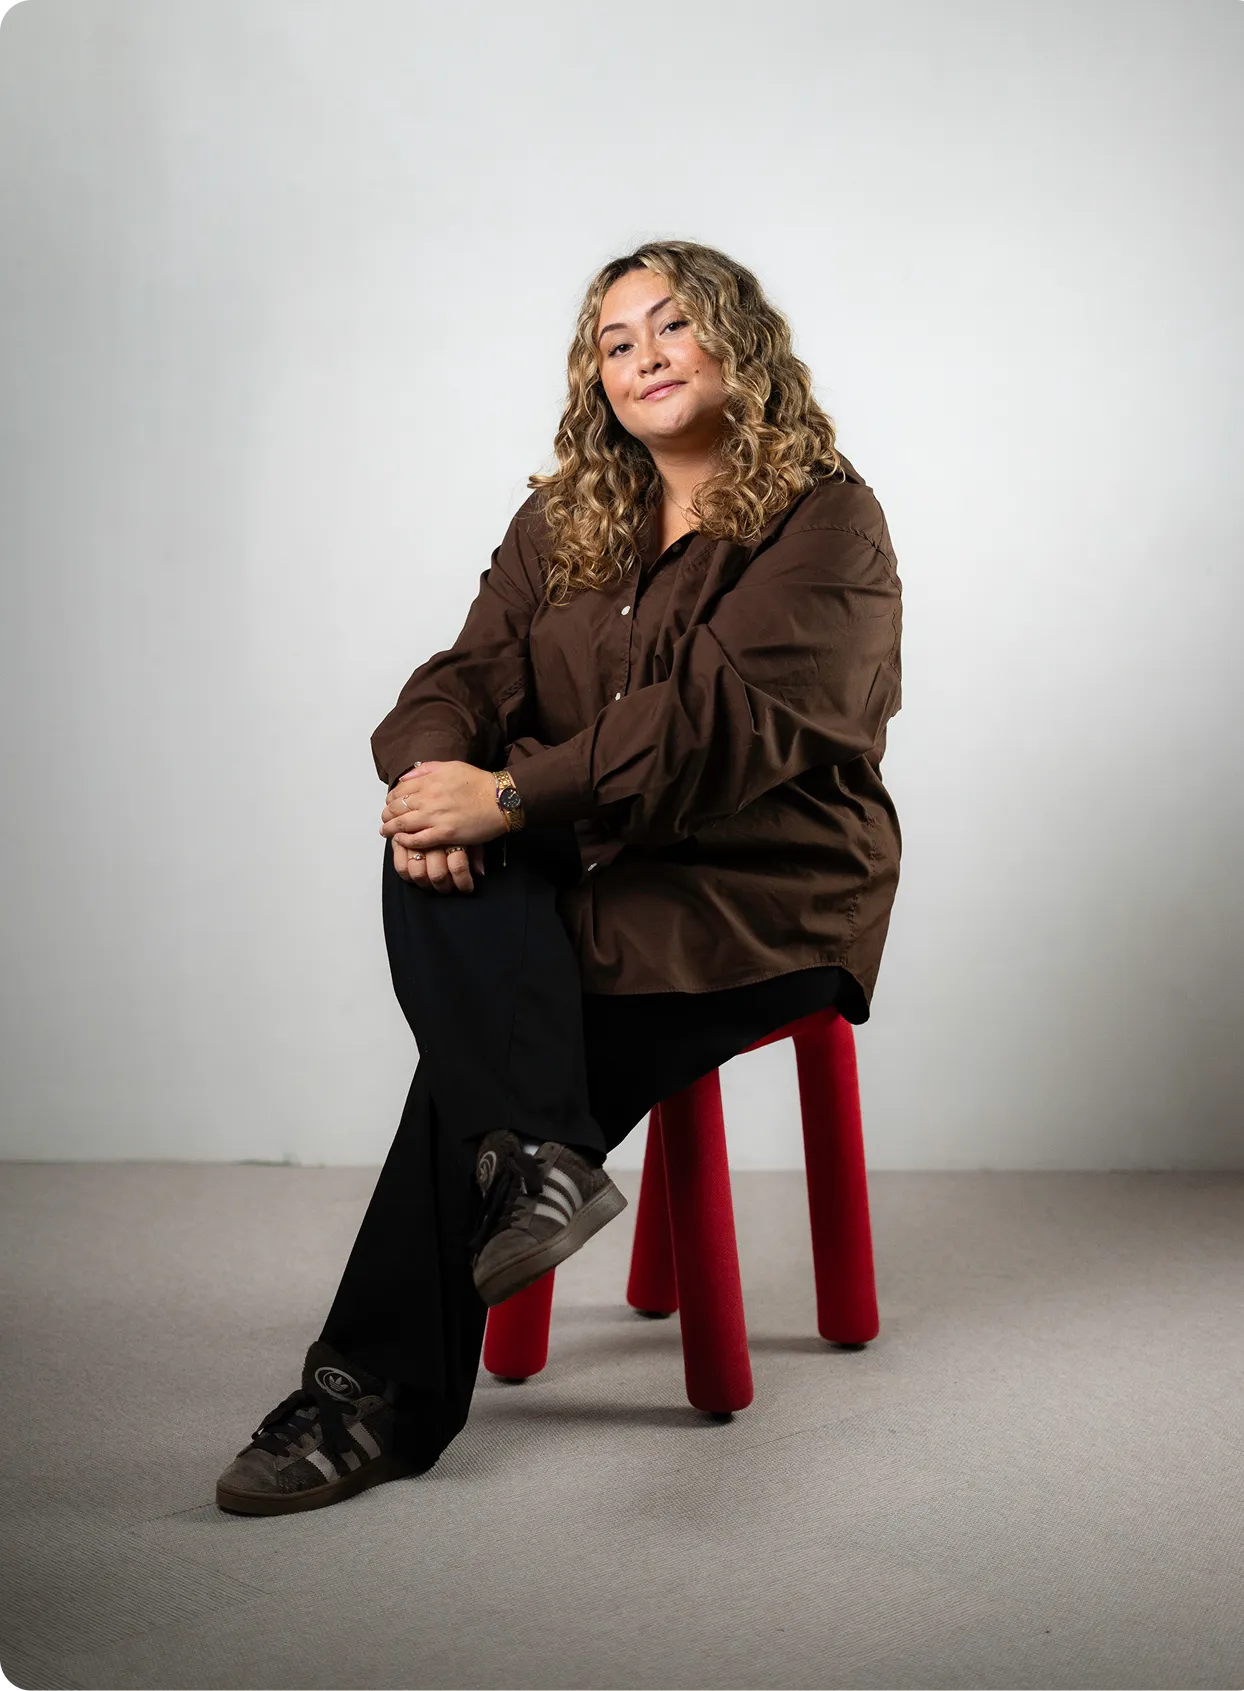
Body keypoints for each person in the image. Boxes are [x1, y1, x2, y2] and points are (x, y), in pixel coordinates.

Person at [214, 238, 904, 1516]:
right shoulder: (568, 513)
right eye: (613, 339)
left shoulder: (826, 518)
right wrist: (438, 782)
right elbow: (460, 678)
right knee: (433, 856)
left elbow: (715, 724)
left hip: (762, 891)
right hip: (596, 861)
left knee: (486, 1029)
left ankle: (377, 1378)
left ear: (733, 342)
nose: (642, 356)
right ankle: (535, 1153)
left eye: (670, 325)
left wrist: (512, 794)